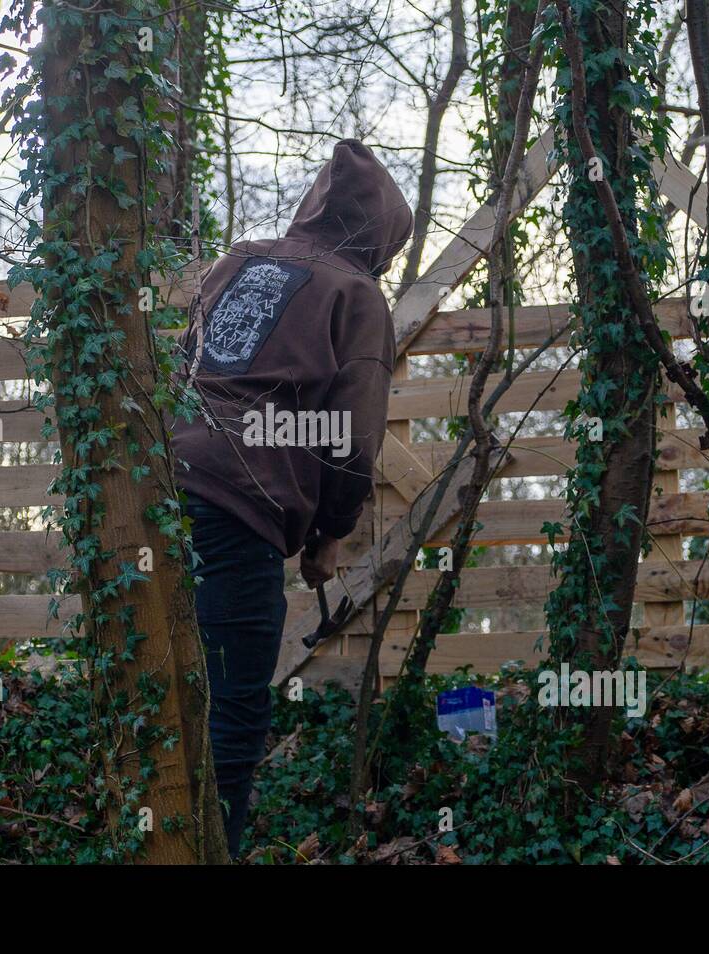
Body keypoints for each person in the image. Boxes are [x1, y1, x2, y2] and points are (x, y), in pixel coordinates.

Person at [171, 139, 412, 856]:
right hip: (242, 510)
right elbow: (354, 437)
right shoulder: (356, 295)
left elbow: (189, 366)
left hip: (166, 487)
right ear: (382, 235)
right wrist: (329, 535)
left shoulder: (238, 260)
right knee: (237, 708)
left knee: (169, 680)